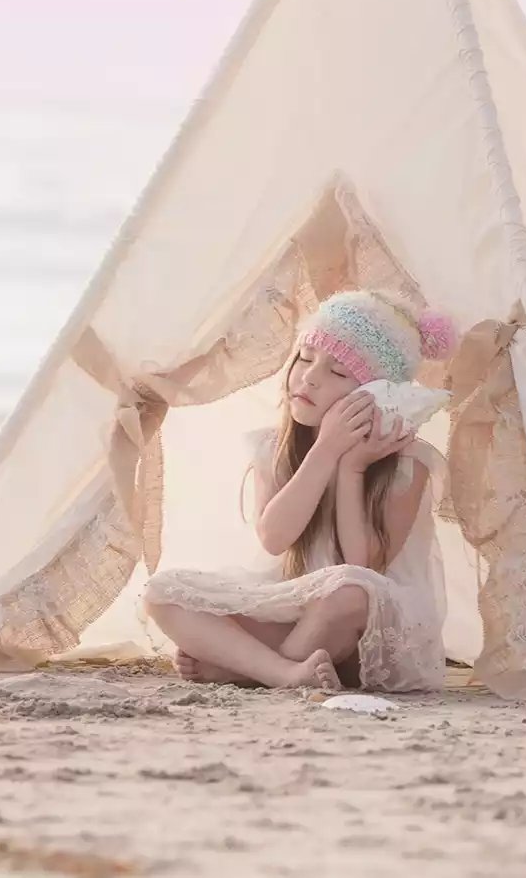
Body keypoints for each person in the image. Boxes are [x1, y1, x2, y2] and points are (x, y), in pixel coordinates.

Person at [141, 288, 454, 692]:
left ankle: (249, 669)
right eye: (305, 359)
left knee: (348, 593)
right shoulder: (272, 449)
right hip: (299, 619)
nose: (309, 377)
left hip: (362, 633)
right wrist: (325, 450)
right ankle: (282, 671)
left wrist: (352, 466)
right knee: (163, 593)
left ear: (375, 395)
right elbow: (274, 538)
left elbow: (363, 565)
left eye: (338, 373)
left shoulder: (409, 464)